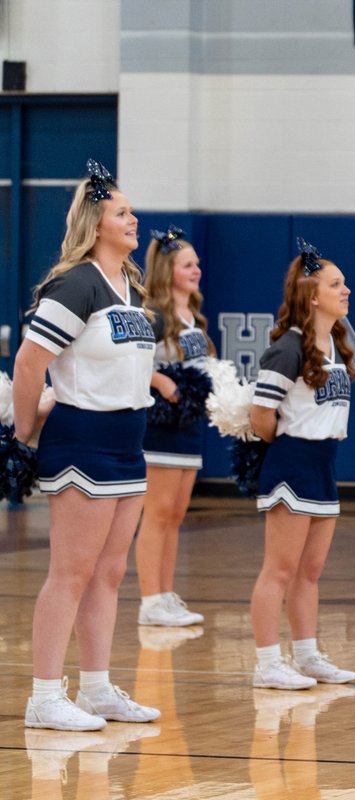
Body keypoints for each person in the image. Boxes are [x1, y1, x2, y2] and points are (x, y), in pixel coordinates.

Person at [14, 160, 162, 730]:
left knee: (108, 573)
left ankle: (97, 689)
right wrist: (25, 432)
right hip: (82, 440)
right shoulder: (75, 284)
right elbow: (30, 362)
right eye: (122, 212)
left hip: (130, 442)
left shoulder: (131, 288)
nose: (134, 219)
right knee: (70, 573)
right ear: (96, 223)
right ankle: (46, 695)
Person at [248, 239, 355, 690]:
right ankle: (267, 663)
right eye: (336, 284)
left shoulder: (334, 345)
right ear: (312, 295)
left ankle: (308, 655)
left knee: (309, 572)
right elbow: (261, 416)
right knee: (279, 569)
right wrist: (288, 447)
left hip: (324, 464)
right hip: (293, 463)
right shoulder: (288, 347)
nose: (346, 290)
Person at [136, 226, 214, 627]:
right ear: (168, 270)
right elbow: (131, 361)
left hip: (188, 425)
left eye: (197, 263)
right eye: (188, 264)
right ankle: (150, 601)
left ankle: (165, 594)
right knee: (158, 513)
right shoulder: (154, 317)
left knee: (176, 514)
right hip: (160, 425)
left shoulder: (193, 316)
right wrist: (160, 381)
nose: (196, 270)